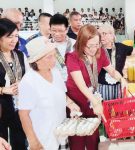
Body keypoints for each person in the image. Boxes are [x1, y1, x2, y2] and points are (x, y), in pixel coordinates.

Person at [66, 24, 126, 150]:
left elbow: (112, 71)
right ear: (81, 43)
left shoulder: (101, 53)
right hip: (76, 102)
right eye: (90, 46)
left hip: (92, 100)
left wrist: (121, 79)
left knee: (93, 137)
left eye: (97, 44)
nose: (94, 49)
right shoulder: (72, 57)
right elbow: (81, 85)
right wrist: (95, 102)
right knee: (78, 139)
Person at [18, 36, 80, 150]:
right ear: (37, 61)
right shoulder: (29, 81)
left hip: (61, 135)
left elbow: (62, 94)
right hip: (42, 140)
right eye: (49, 57)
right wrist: (33, 142)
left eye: (54, 55)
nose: (54, 60)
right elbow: (23, 115)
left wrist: (71, 105)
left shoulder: (55, 72)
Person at [98, 23, 135, 100]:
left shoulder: (120, 47)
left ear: (112, 35)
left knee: (119, 109)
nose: (101, 37)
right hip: (103, 87)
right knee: (104, 109)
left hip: (120, 85)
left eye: (104, 34)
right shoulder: (97, 51)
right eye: (99, 34)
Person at [0, 18, 28, 150]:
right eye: (9, 37)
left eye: (16, 36)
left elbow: (30, 79)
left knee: (20, 141)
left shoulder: (20, 55)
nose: (14, 40)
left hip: (19, 107)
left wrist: (23, 84)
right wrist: (3, 90)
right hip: (2, 108)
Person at [49, 14, 76, 81]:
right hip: (53, 82)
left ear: (67, 29)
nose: (57, 34)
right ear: (50, 29)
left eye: (60, 31)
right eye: (54, 30)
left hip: (73, 82)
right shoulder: (46, 45)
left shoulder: (75, 44)